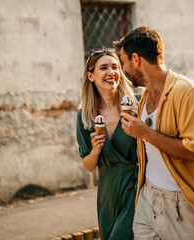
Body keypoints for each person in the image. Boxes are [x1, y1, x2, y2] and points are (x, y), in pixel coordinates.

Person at [114, 26, 194, 239]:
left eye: (124, 61)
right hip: (147, 201)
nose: (123, 69)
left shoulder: (189, 92)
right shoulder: (143, 98)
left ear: (136, 59)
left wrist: (146, 134)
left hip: (184, 205)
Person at [76, 48, 138, 240]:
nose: (111, 73)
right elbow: (88, 166)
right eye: (104, 68)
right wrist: (95, 150)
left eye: (115, 67)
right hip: (107, 194)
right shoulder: (85, 116)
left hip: (136, 186)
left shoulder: (137, 104)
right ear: (91, 76)